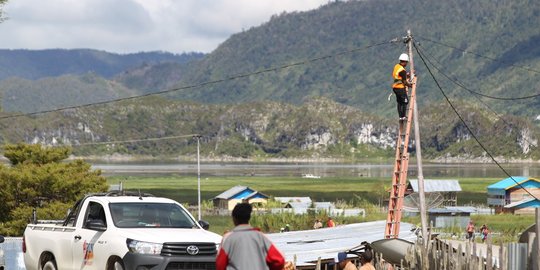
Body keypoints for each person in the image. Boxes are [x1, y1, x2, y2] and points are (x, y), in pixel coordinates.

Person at [216, 203, 285, 270]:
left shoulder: (228, 238)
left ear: (234, 219)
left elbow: (220, 265)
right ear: (249, 218)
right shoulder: (260, 237)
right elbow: (279, 260)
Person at [391, 53, 413, 121]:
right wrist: (410, 85)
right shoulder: (402, 70)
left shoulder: (397, 66)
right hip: (400, 88)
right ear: (405, 62)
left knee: (399, 102)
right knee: (405, 101)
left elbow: (398, 75)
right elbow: (404, 82)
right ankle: (403, 116)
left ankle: (400, 117)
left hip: (395, 87)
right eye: (406, 62)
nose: (406, 64)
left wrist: (406, 76)